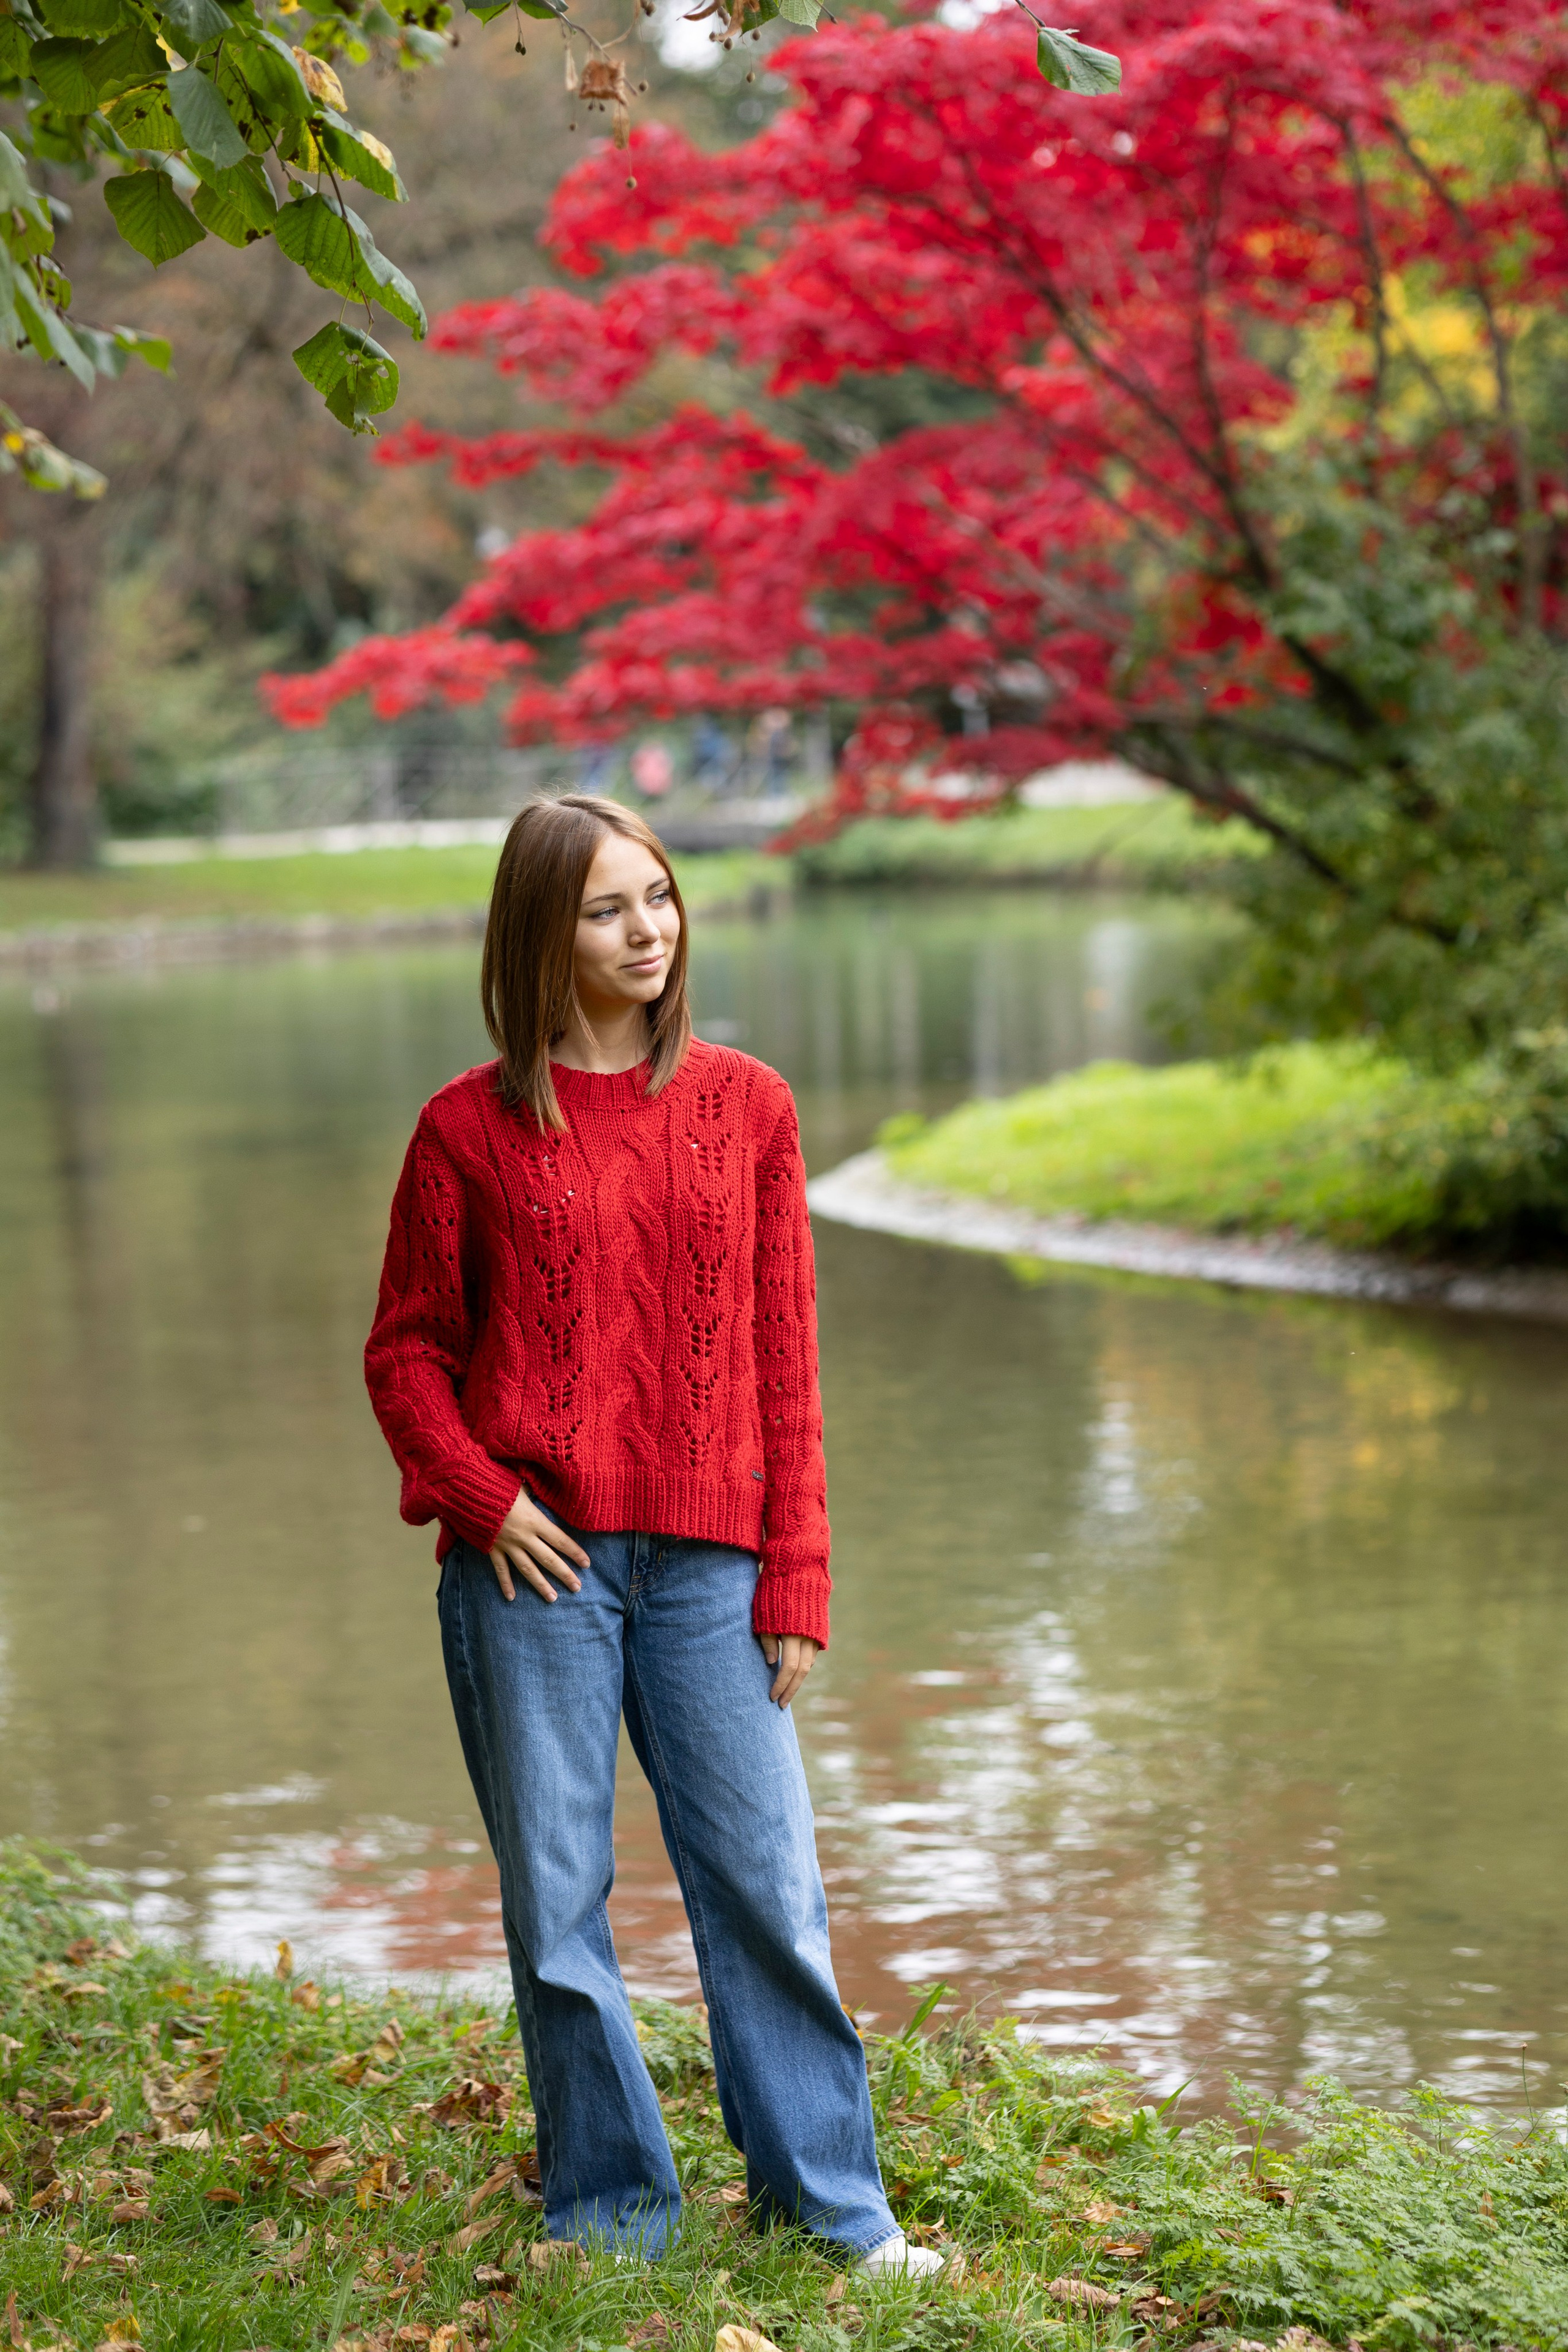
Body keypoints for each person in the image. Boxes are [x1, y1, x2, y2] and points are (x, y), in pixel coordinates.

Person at [364, 794, 938, 2274]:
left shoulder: (749, 1107)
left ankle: (832, 2209)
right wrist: (483, 1498)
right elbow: (407, 1355)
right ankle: (615, 2218)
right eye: (607, 907)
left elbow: (782, 1355)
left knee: (765, 1885)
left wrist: (796, 1567)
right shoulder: (462, 1131)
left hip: (710, 1568)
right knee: (557, 1903)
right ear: (538, 934)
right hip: (531, 1568)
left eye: (661, 896)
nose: (648, 930)